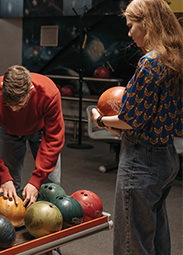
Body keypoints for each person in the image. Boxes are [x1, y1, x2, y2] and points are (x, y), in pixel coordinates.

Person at [90, 0, 183, 254]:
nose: (129, 33)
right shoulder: (175, 58)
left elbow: (129, 120)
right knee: (156, 235)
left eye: (132, 26)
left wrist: (99, 119)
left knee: (132, 241)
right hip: (167, 158)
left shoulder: (150, 62)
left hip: (141, 161)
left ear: (149, 24)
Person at [0, 65, 64, 208]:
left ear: (30, 90)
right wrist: (3, 177)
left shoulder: (49, 92)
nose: (14, 110)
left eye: (21, 105)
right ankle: (13, 225)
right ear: (3, 88)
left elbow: (54, 139)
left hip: (41, 131)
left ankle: (50, 225)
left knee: (52, 187)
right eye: (8, 105)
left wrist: (36, 180)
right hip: (8, 131)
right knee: (10, 187)